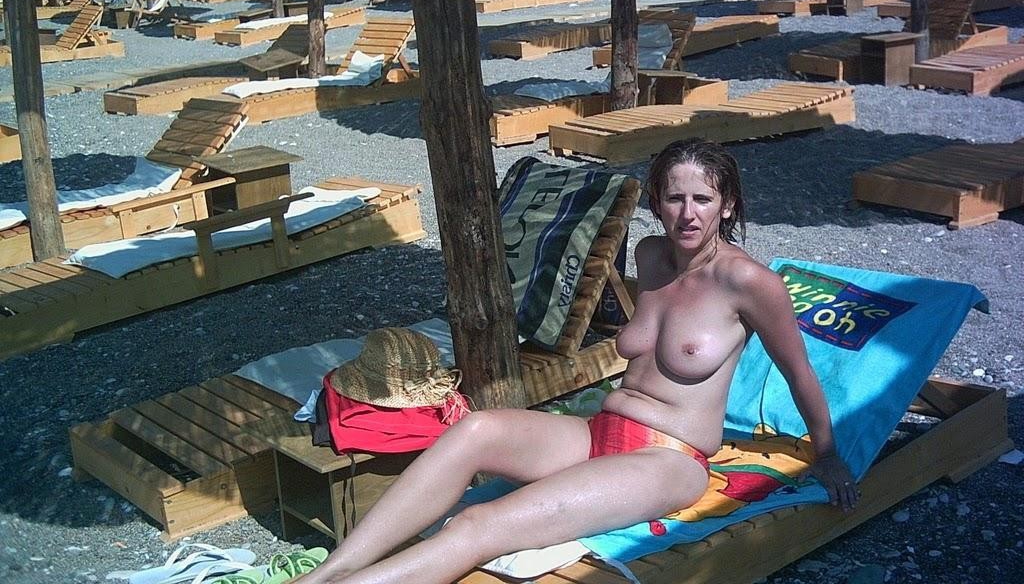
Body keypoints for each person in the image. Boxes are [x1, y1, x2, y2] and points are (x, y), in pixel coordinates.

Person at [296, 138, 858, 584]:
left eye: (703, 199)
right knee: (475, 428)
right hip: (599, 431)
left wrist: (828, 455)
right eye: (674, 198)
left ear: (726, 205)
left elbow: (799, 372)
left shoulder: (749, 283)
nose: (688, 214)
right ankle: (327, 573)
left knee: (477, 523)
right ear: (657, 202)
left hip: (668, 460)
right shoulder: (650, 256)